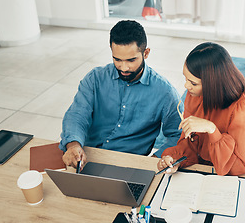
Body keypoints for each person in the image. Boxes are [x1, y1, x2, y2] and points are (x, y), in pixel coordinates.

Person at [60, 20, 182, 169]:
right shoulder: (95, 78)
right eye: (117, 59)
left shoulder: (165, 92)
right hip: (85, 157)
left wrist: (155, 160)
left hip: (128, 164)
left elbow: (177, 135)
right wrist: (73, 145)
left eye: (131, 60)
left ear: (146, 53)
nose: (123, 67)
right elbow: (77, 115)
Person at [157, 42, 245, 176]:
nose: (186, 86)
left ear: (212, 84)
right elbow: (190, 141)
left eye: (193, 83)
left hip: (237, 172)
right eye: (185, 78)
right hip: (206, 166)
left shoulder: (244, 108)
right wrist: (175, 159)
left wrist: (212, 129)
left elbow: (239, 167)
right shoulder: (196, 94)